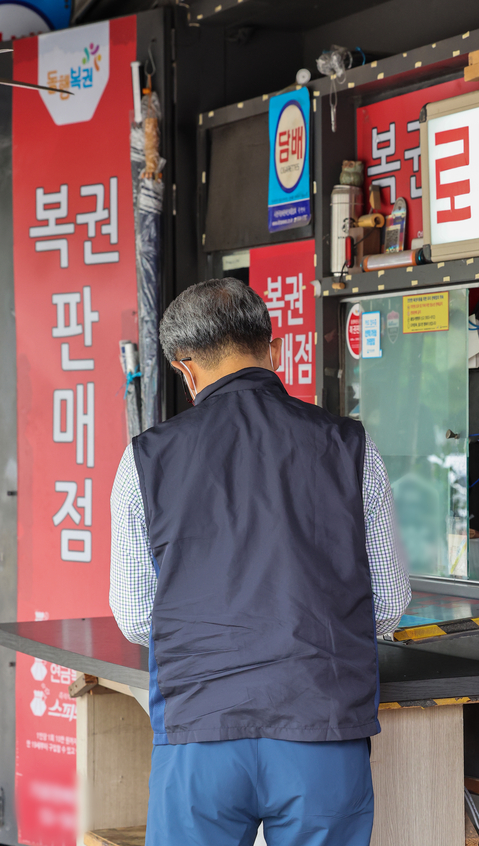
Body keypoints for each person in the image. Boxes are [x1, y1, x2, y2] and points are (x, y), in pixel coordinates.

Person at [110, 277, 410, 846]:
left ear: (186, 368)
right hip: (322, 731)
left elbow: (133, 615)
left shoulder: (144, 460)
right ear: (272, 351)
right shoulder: (350, 444)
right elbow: (389, 600)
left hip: (199, 735)